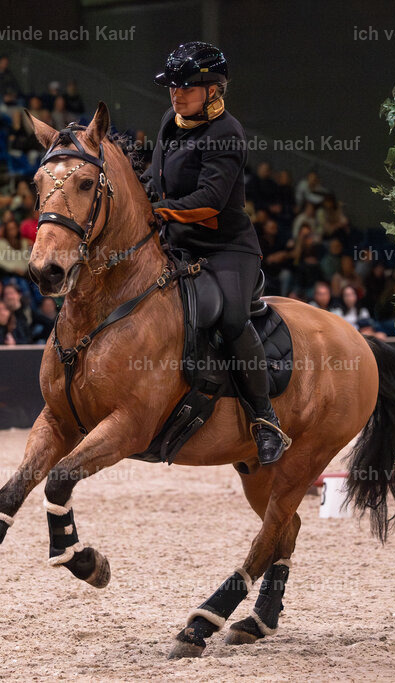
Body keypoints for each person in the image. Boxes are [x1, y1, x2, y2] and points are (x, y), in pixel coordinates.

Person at [142, 41, 288, 464]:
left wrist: (159, 211)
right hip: (177, 241)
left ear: (213, 90)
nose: (176, 94)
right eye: (173, 87)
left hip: (226, 247)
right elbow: (155, 179)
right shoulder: (170, 120)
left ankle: (264, 419)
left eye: (185, 87)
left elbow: (209, 201)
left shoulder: (226, 132)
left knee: (232, 319)